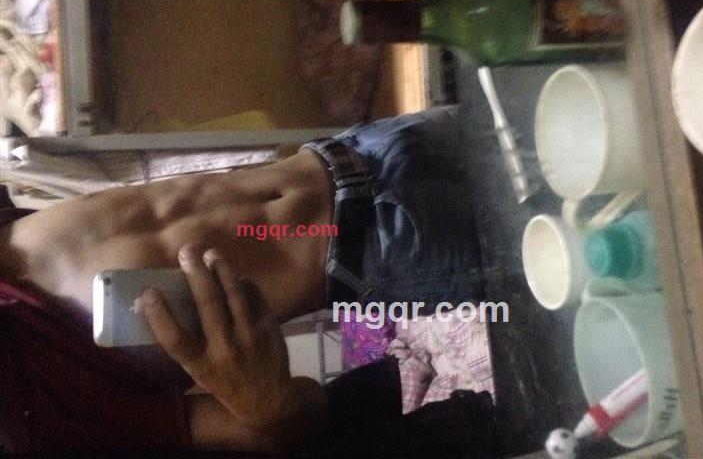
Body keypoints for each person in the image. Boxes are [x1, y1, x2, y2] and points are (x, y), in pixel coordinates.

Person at [0, 106, 485, 453]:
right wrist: (268, 408)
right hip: (385, 250)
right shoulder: (38, 418)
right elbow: (276, 430)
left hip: (355, 149)